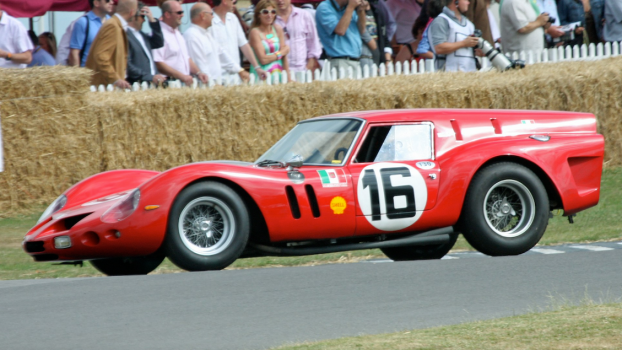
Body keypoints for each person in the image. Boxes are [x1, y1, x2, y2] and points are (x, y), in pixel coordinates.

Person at [184, 2, 250, 82]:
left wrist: (239, 70)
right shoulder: (192, 36)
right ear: (203, 15)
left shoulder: (206, 34)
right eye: (211, 14)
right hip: (207, 86)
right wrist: (212, 83)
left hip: (217, 83)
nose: (213, 16)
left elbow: (221, 53)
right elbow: (200, 65)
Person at [152, 1, 209, 86]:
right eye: (179, 12)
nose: (182, 15)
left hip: (183, 82)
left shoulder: (177, 33)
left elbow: (186, 58)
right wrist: (181, 76)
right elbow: (158, 62)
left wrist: (198, 72)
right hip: (169, 83)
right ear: (167, 14)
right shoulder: (159, 34)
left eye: (182, 12)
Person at [209, 0, 267, 80]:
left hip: (236, 76)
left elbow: (244, 44)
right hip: (217, 77)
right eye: (233, 1)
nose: (235, 3)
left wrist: (257, 67)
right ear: (224, 1)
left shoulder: (233, 18)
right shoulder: (209, 21)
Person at [86, 0, 138, 88]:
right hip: (103, 88)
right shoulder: (113, 26)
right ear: (132, 12)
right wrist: (115, 79)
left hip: (107, 88)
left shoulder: (116, 25)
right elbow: (100, 56)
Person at [428, 0, 481, 72]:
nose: (468, 3)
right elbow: (439, 48)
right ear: (455, 1)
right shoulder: (441, 20)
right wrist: (464, 43)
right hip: (449, 77)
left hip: (470, 76)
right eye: (466, 0)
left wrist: (479, 51)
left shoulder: (469, 24)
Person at [316, 0, 367, 72]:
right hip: (339, 61)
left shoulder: (348, 8)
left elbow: (362, 30)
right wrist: (350, 7)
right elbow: (340, 30)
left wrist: (361, 11)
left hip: (356, 60)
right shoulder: (325, 7)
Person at [275, 0, 323, 73]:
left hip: (302, 69)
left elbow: (313, 44)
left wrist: (308, 67)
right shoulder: (270, 18)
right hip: (278, 70)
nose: (280, 1)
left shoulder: (304, 15)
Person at [126, 2, 167, 85]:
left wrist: (152, 21)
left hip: (152, 83)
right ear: (134, 15)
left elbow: (158, 43)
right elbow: (127, 65)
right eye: (143, 16)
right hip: (138, 84)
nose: (144, 20)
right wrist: (149, 77)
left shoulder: (142, 34)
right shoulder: (125, 35)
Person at [249, 0, 290, 79]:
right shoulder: (255, 32)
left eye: (273, 12)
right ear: (258, 15)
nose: (269, 15)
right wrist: (280, 53)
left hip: (279, 74)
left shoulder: (278, 29)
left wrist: (288, 78)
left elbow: (285, 57)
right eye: (265, 12)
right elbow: (263, 60)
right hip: (263, 76)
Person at [69, 0, 114, 67]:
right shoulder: (83, 22)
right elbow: (74, 53)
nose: (111, 2)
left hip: (108, 73)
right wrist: (79, 75)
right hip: (89, 73)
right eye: (107, 0)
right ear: (96, 3)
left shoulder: (112, 22)